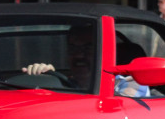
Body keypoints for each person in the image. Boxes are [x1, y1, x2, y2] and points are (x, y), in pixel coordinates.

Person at [20, 26, 148, 97]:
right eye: (73, 48)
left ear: (103, 52)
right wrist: (45, 79)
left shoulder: (128, 84)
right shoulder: (66, 84)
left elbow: (121, 107)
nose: (79, 55)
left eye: (88, 48)